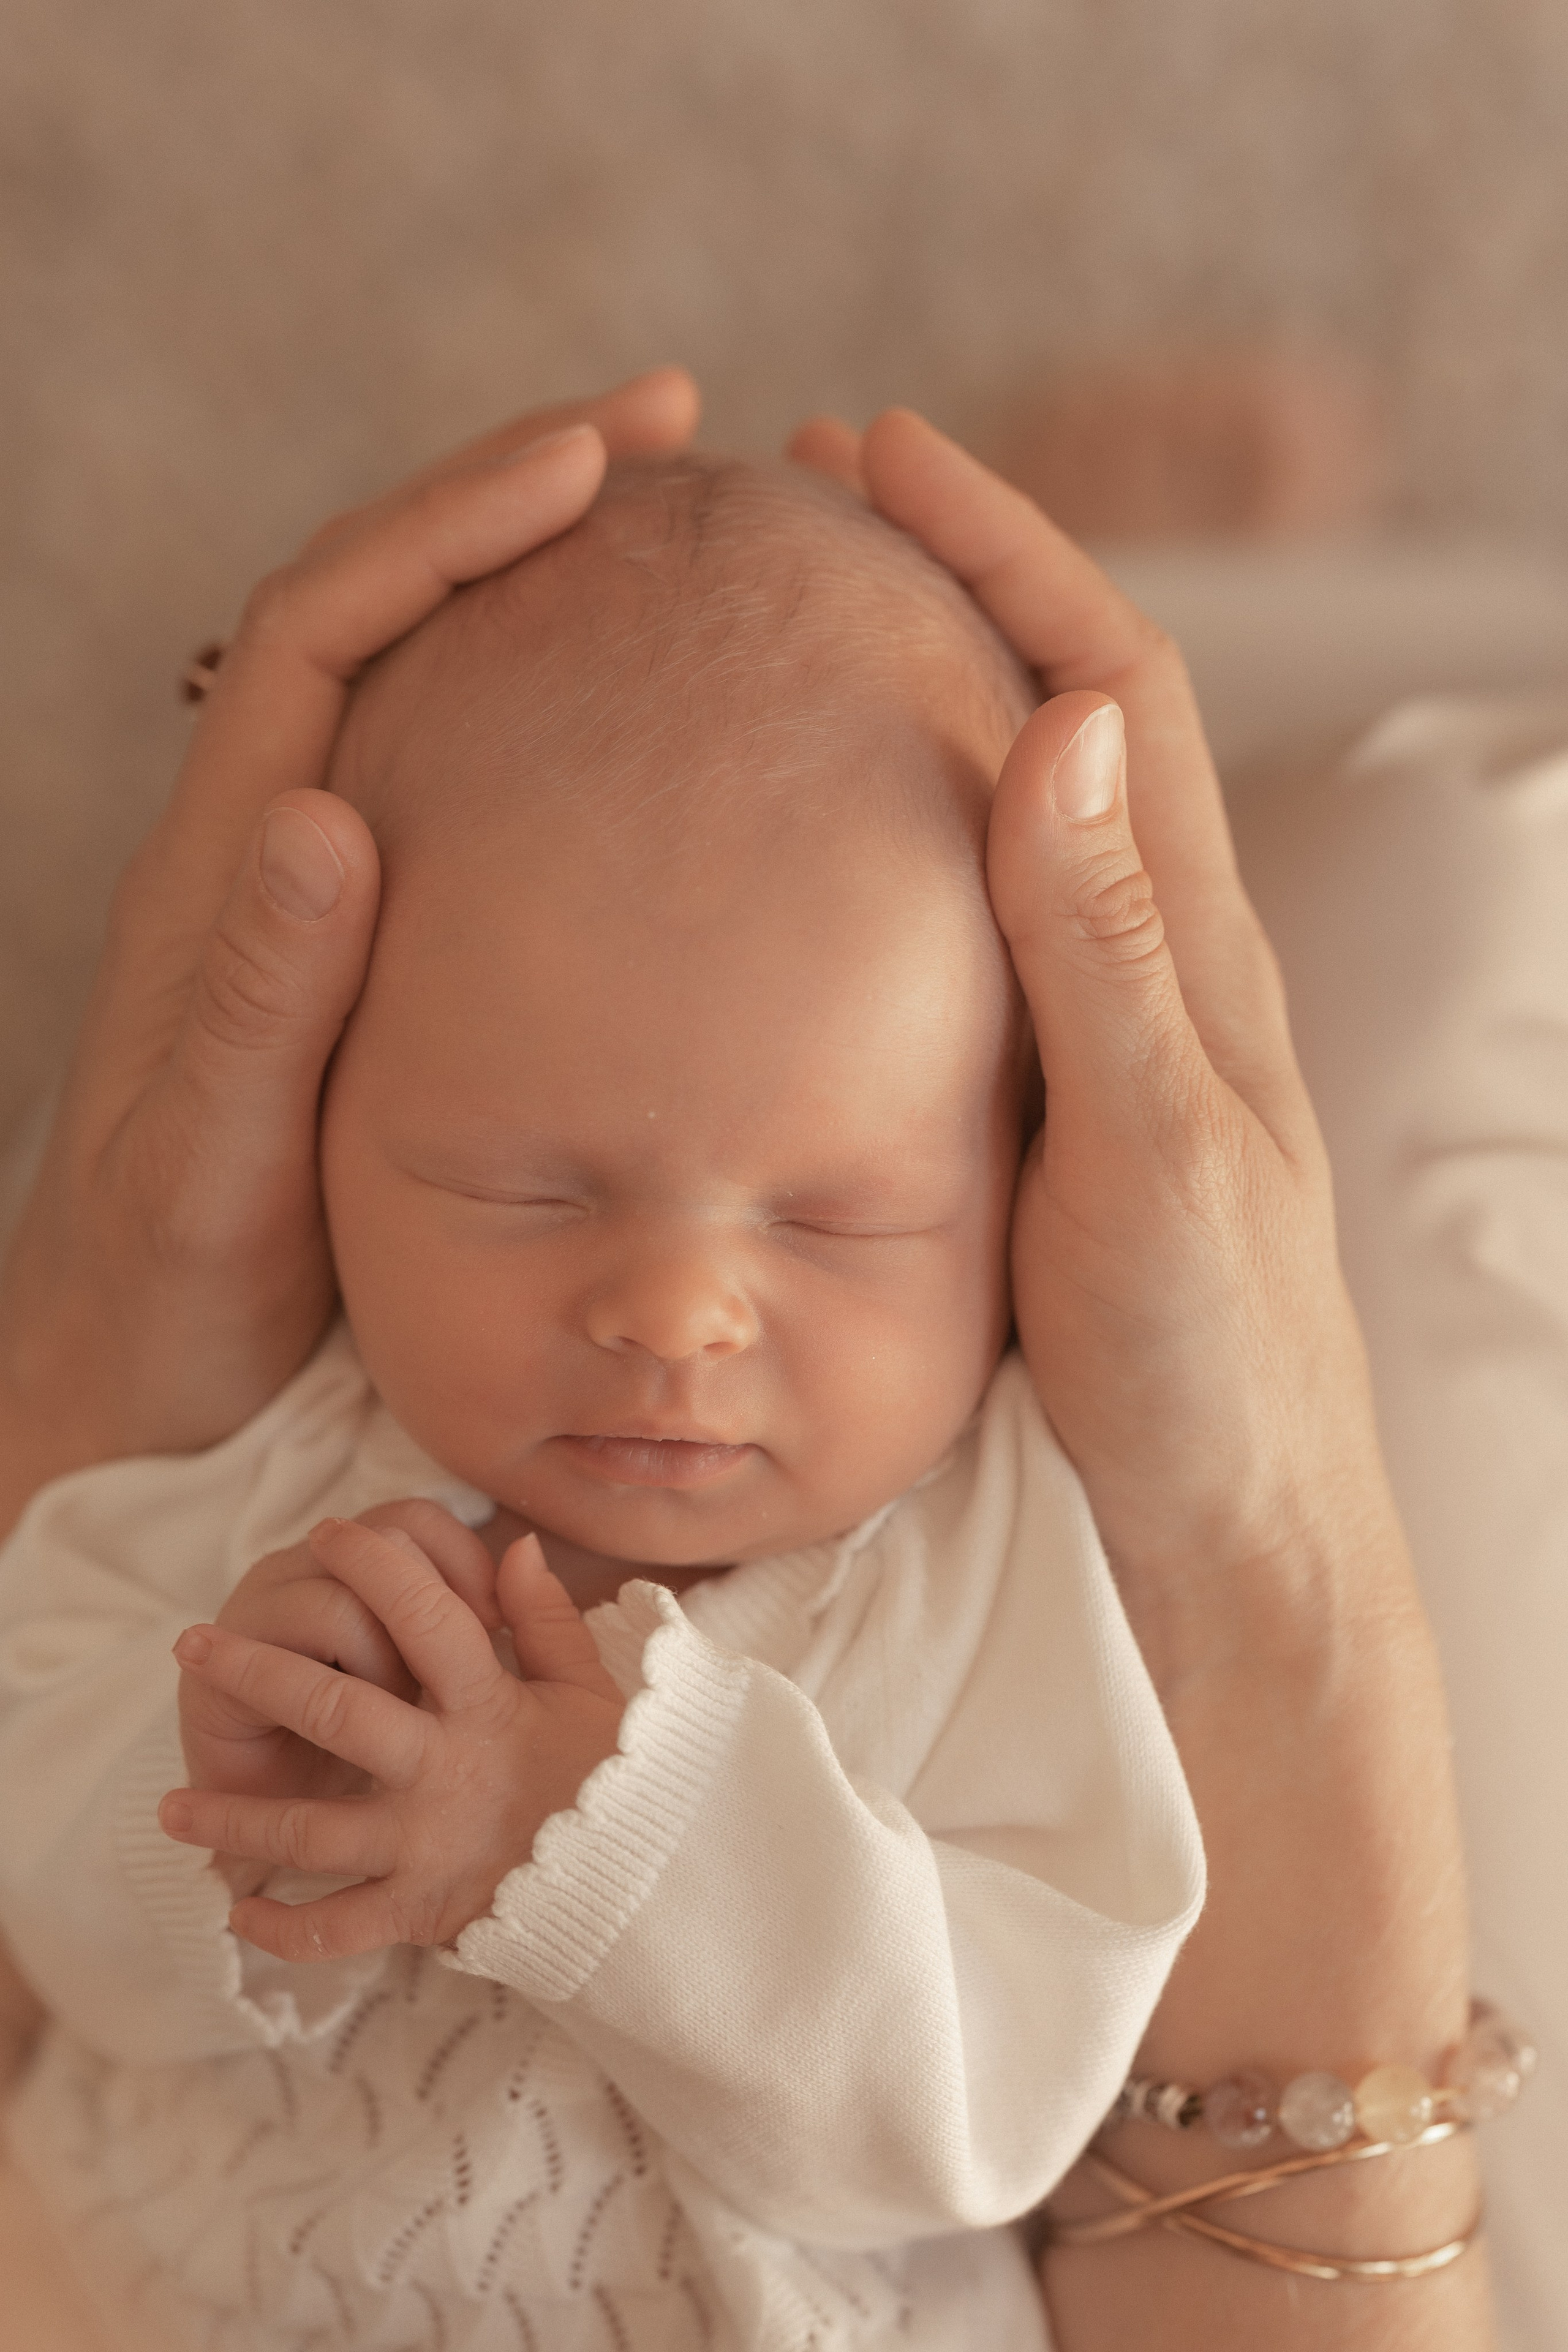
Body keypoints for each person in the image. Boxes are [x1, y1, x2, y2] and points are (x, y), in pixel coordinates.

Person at [0, 370, 1493, 2350]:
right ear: (327, 1111)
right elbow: (53, 1929)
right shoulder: (302, 1460)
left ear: (1027, 1165)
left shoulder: (977, 1563)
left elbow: (980, 2117)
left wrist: (603, 1836)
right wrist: (210, 1792)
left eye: (837, 1217)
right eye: (526, 1189)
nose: (676, 1315)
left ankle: (1218, 570)